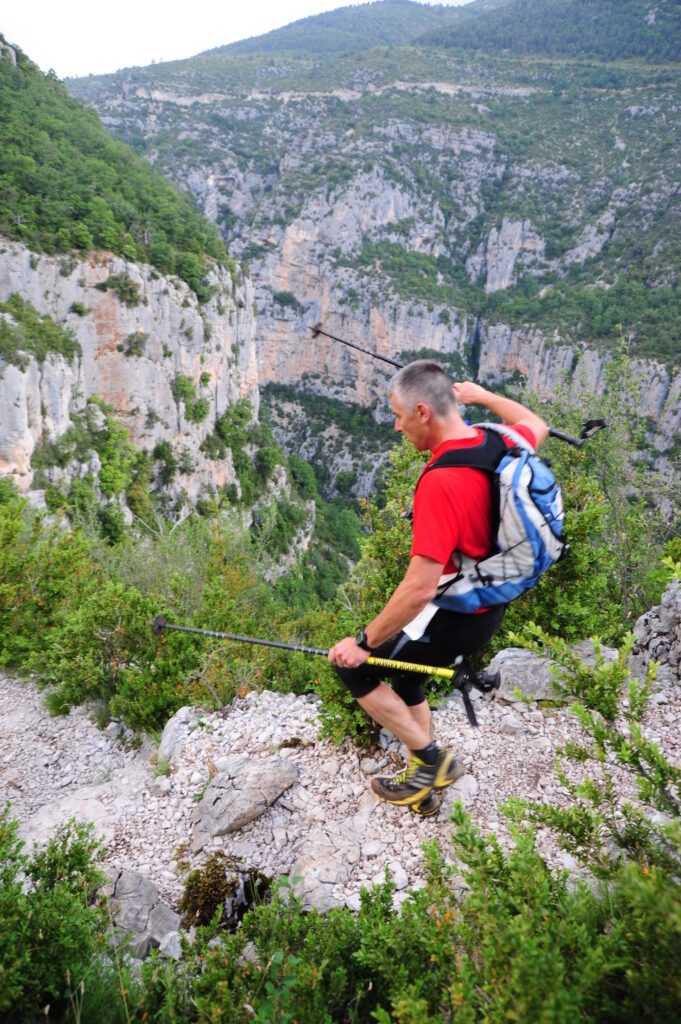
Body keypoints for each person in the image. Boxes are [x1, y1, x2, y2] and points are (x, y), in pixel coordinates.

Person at [328, 361, 548, 811]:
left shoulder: (442, 483)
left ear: (423, 412)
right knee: (409, 678)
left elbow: (419, 589)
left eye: (399, 415)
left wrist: (363, 641)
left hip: (454, 615)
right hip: (487, 602)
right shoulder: (498, 439)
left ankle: (432, 764)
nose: (396, 425)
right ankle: (421, 781)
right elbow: (535, 424)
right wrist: (484, 396)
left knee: (353, 668)